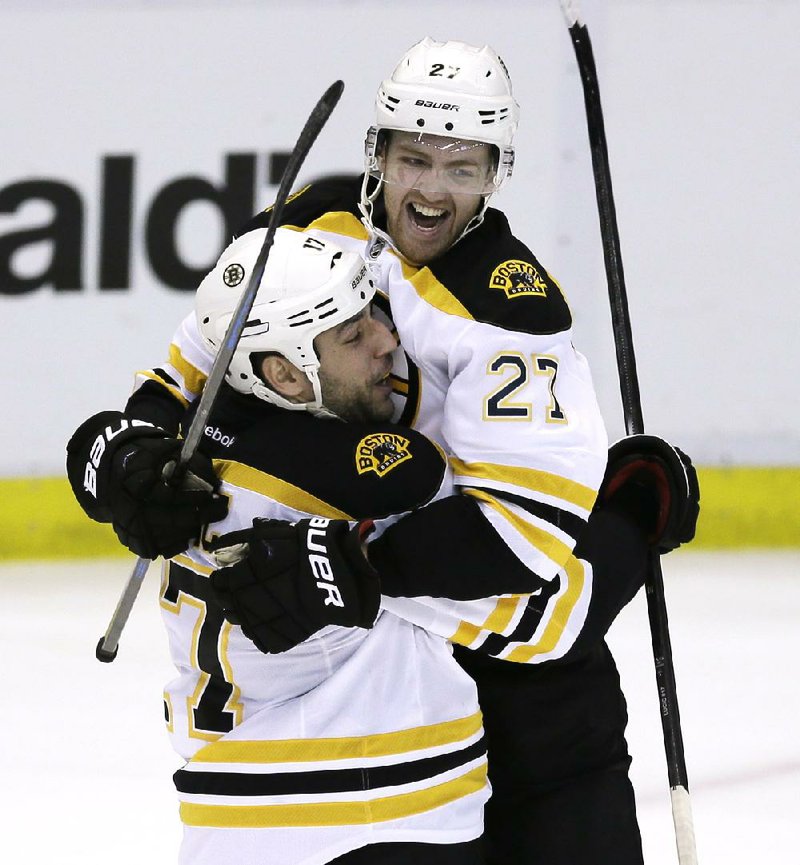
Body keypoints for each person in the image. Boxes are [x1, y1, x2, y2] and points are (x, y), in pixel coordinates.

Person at [66, 38, 699, 865]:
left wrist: (356, 565)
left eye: (462, 167)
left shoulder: (506, 310)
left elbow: (524, 560)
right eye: (414, 158)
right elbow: (192, 369)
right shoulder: (310, 221)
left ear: (495, 172)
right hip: (395, 672)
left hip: (514, 684)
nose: (433, 189)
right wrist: (124, 458)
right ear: (378, 152)